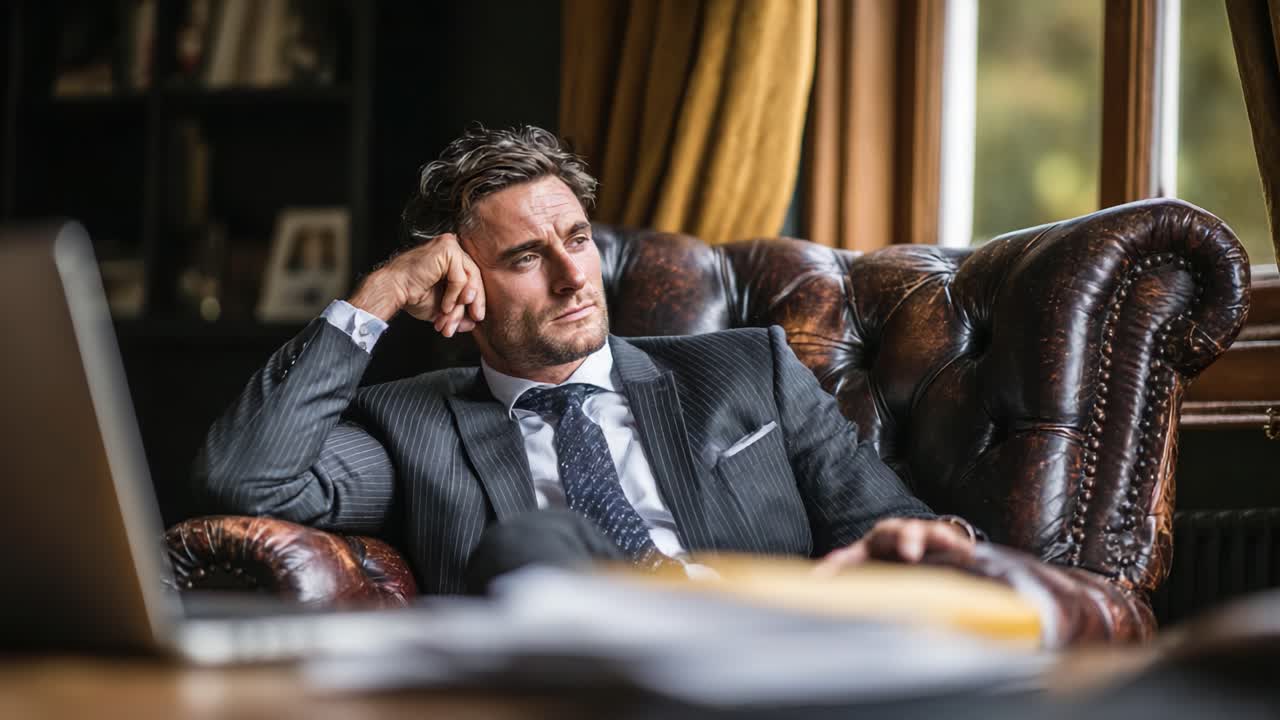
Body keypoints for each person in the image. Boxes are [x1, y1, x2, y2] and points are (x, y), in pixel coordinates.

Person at [193, 125, 980, 595]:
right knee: (528, 549)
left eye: (577, 240)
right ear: (460, 282)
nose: (577, 277)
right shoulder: (411, 423)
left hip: (762, 657)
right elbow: (242, 477)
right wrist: (380, 292)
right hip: (571, 683)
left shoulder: (751, 370)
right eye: (529, 257)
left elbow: (896, 529)